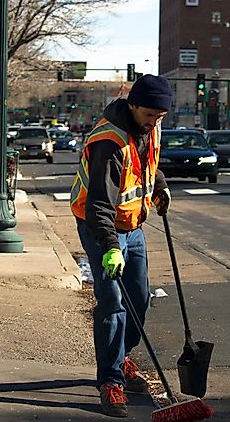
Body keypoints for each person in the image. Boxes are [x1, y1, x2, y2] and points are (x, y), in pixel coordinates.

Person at [70, 74, 173, 418]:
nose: (155, 121)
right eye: (150, 115)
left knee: (139, 298)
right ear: (133, 105)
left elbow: (148, 162)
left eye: (161, 116)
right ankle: (110, 382)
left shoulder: (151, 126)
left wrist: (159, 185)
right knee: (113, 303)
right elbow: (99, 203)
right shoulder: (109, 142)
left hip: (134, 225)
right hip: (101, 228)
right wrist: (111, 247)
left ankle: (122, 356)